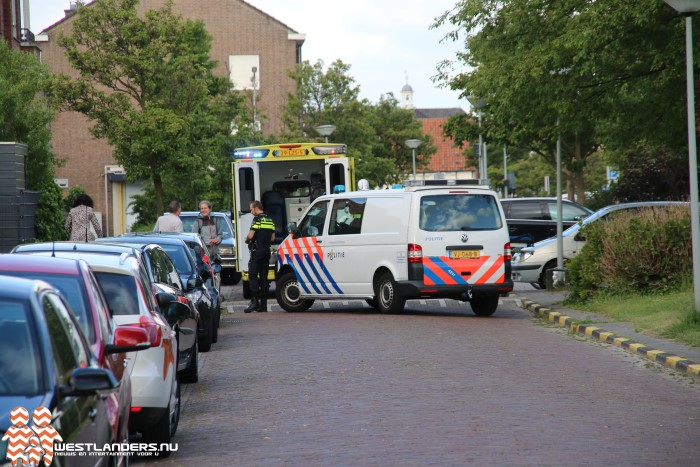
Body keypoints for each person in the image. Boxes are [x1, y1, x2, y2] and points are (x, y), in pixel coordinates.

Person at [244, 200, 276, 313]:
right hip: (266, 251)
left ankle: (254, 302)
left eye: (251, 208)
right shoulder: (270, 219)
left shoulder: (257, 219)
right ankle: (264, 306)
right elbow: (272, 238)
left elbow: (251, 235)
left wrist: (247, 240)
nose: (250, 210)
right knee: (264, 277)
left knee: (252, 275)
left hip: (257, 251)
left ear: (256, 208)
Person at [192, 200, 223, 269]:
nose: (203, 210)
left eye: (205, 208)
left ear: (210, 209)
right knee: (206, 277)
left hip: (215, 256)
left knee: (216, 277)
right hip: (203, 257)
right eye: (202, 209)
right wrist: (206, 243)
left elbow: (220, 234)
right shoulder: (198, 222)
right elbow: (194, 240)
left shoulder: (215, 220)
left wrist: (217, 239)